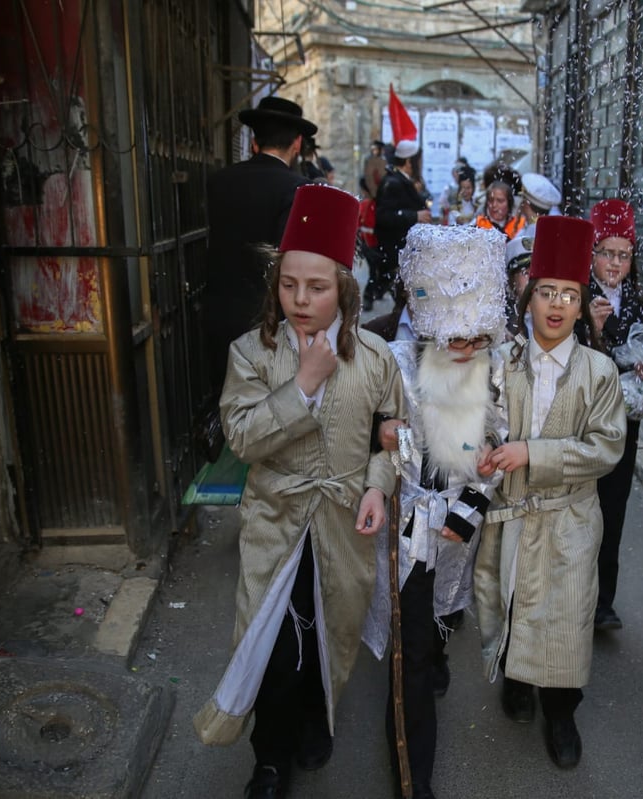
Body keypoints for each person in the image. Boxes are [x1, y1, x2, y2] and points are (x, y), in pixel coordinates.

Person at [193, 184, 406, 799]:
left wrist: (377, 488)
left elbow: (390, 439)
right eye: (289, 285)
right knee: (274, 645)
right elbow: (242, 438)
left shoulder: (374, 357)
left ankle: (320, 718)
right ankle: (269, 756)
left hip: (344, 522)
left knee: (328, 634)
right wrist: (304, 388)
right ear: (275, 283)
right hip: (276, 520)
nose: (301, 300)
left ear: (344, 284)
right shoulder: (251, 354)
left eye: (316, 287)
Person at [474, 215, 626, 770]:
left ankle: (561, 714)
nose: (556, 304)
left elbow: (606, 448)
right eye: (545, 292)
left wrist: (533, 453)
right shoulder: (502, 363)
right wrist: (484, 446)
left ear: (584, 304)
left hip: (571, 520)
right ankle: (516, 685)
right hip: (512, 513)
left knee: (566, 617)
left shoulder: (600, 371)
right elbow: (484, 425)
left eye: (569, 294)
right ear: (528, 299)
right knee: (514, 605)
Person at [364, 225, 510, 799]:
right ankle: (412, 776)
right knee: (410, 656)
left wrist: (472, 505)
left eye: (475, 333)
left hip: (456, 530)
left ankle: (436, 654)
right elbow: (368, 433)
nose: (463, 345)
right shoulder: (395, 362)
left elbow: (499, 445)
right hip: (404, 531)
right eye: (453, 332)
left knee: (437, 626)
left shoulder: (495, 372)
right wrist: (381, 434)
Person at [203, 96, 316, 410]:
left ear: (254, 141)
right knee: (267, 414)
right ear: (296, 143)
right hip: (267, 324)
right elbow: (292, 264)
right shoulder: (297, 189)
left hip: (218, 315)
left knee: (226, 407)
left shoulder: (218, 181)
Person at [586, 199, 643, 631]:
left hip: (624, 422)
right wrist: (593, 330)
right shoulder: (576, 295)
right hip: (583, 418)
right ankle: (573, 595)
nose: (615, 263)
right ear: (592, 254)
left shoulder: (637, 300)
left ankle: (603, 603)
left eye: (623, 255)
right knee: (581, 507)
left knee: (614, 508)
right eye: (607, 253)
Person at [368, 139, 431, 311]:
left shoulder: (404, 180)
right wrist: (414, 216)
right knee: (406, 297)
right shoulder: (393, 182)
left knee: (412, 297)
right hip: (396, 251)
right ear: (409, 161)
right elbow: (383, 216)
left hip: (406, 251)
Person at [502, 230, 533, 338]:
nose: (533, 278)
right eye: (526, 273)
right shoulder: (502, 320)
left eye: (537, 272)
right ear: (511, 280)